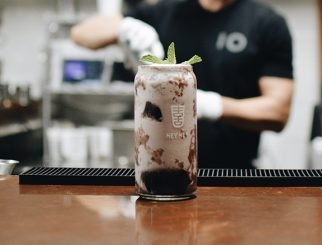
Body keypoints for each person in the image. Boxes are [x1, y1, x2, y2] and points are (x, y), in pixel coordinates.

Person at [71, 0, 294, 169]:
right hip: (159, 167)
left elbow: (277, 111)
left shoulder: (267, 23)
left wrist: (206, 104)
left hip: (232, 173)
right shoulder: (165, 12)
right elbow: (81, 34)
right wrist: (125, 28)